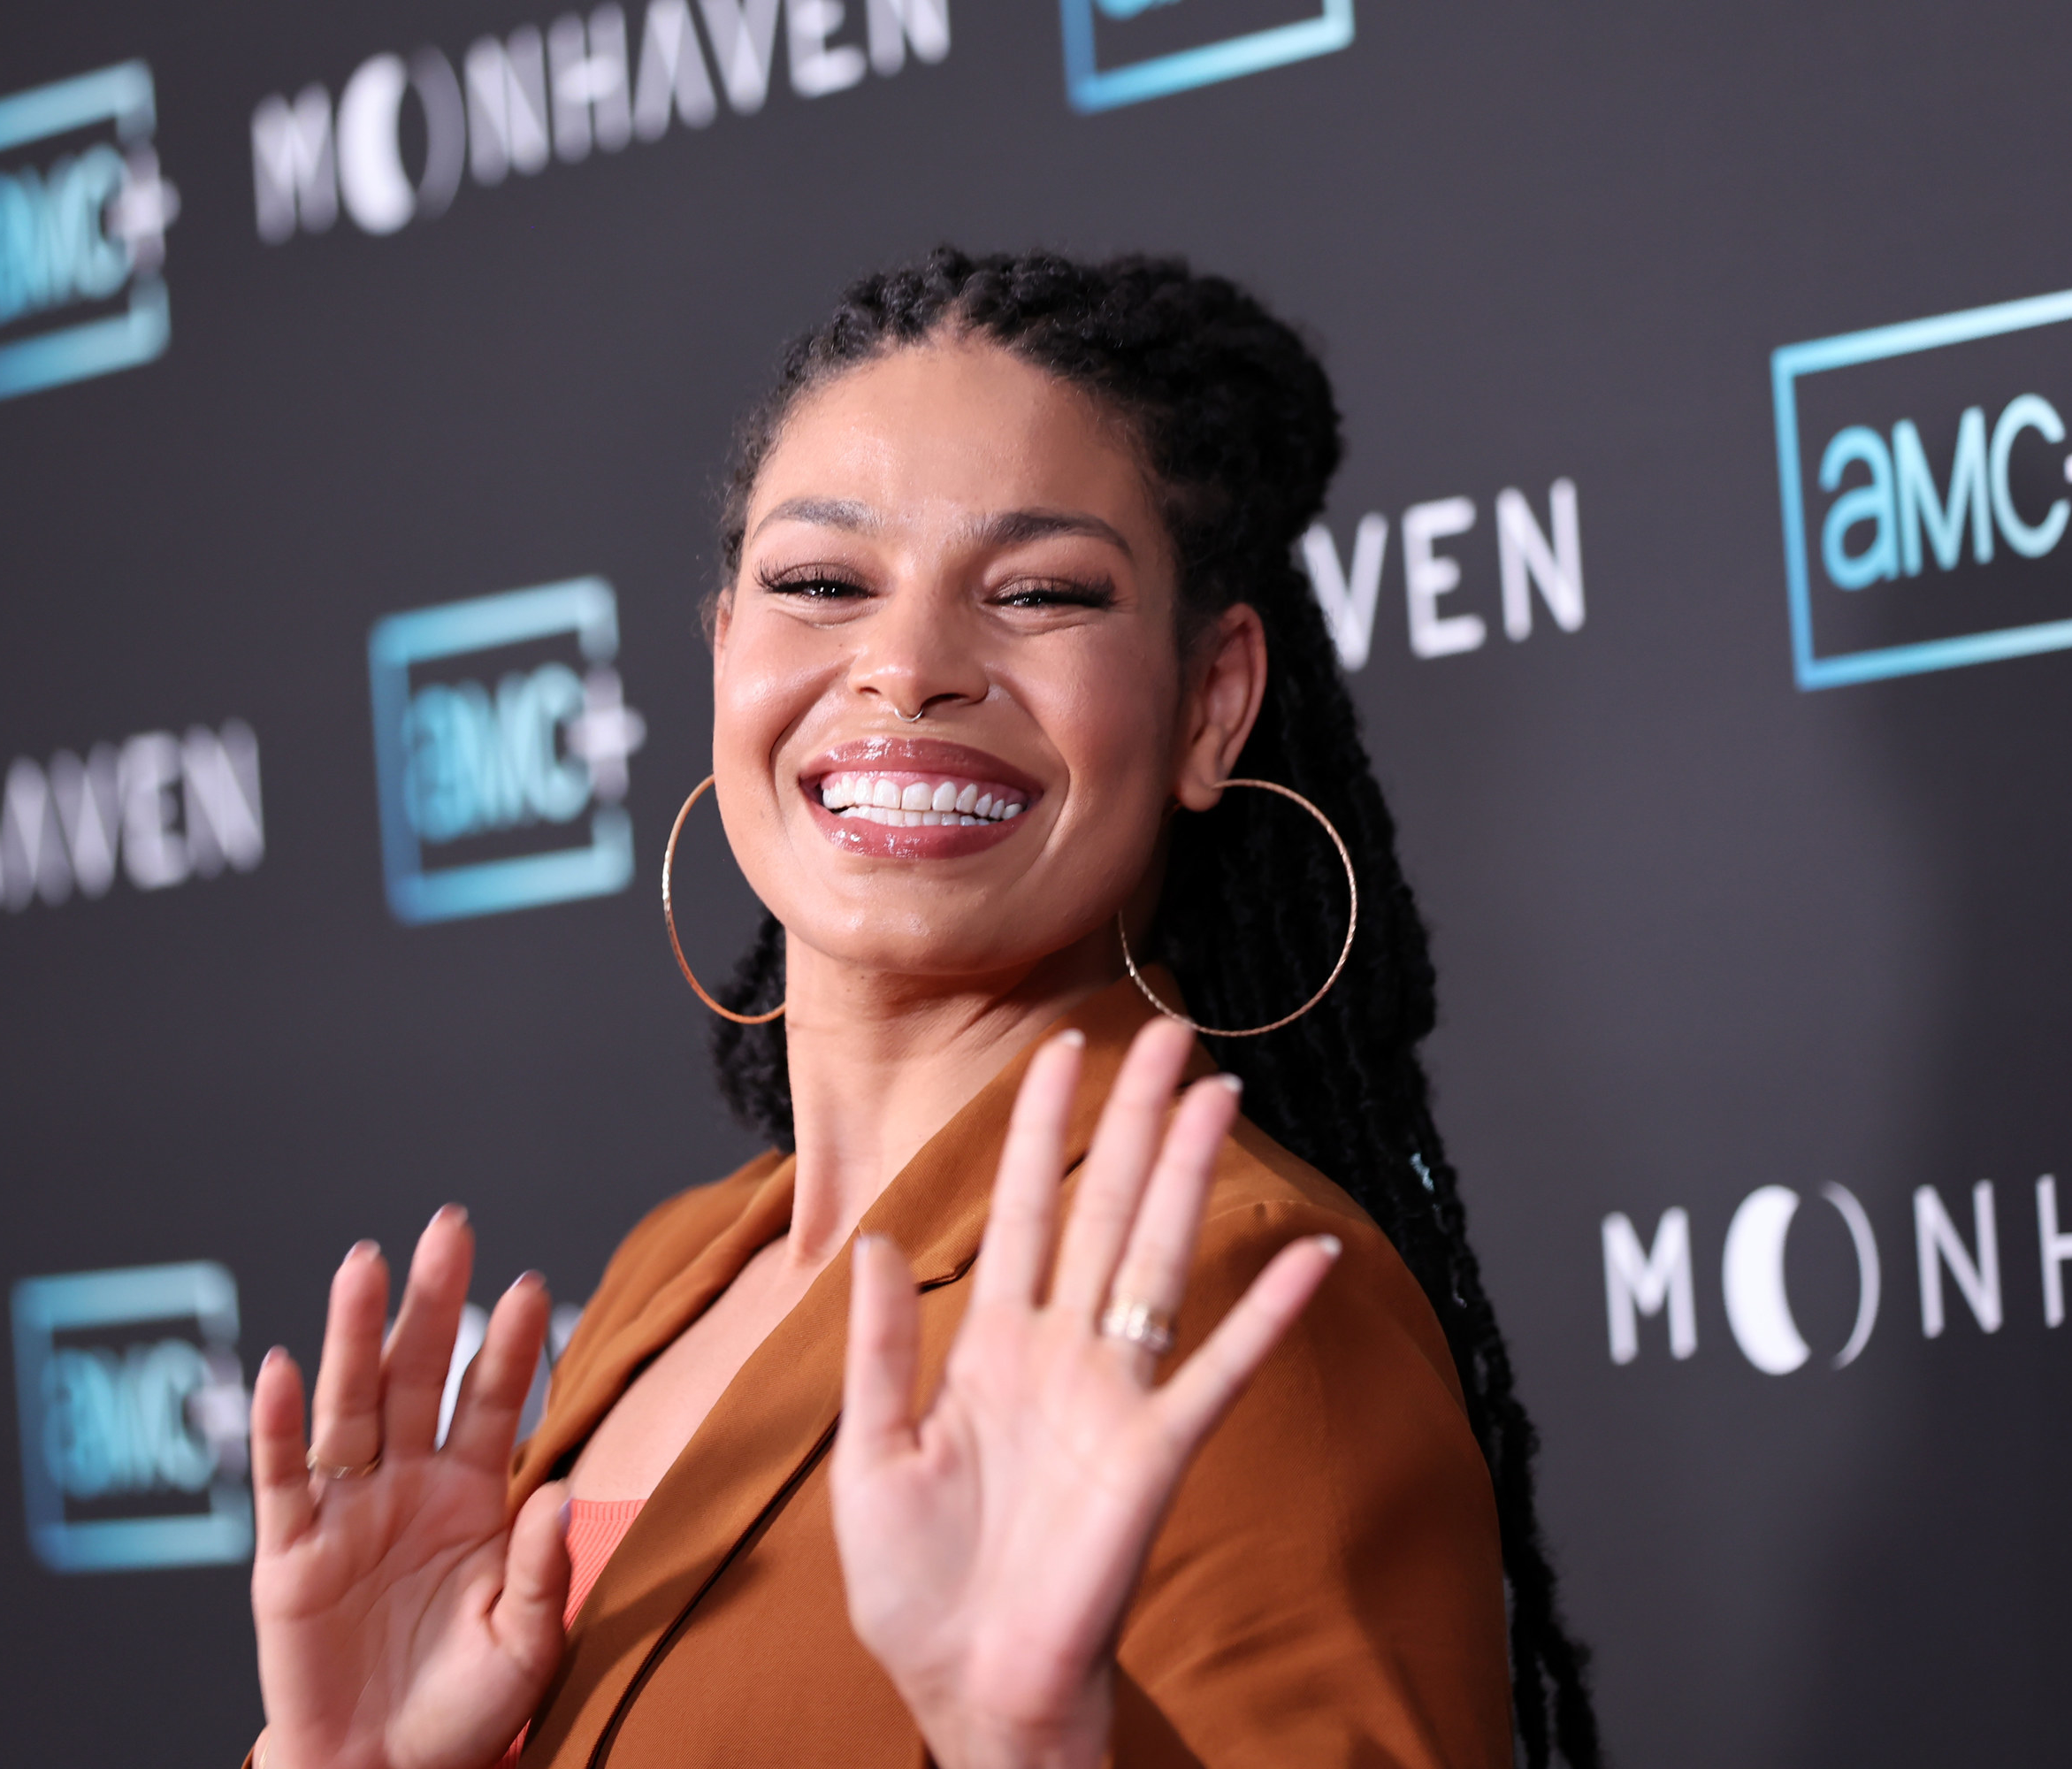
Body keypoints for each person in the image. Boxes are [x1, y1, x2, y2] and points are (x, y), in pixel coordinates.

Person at [243, 249, 1599, 1769]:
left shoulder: (1246, 1298)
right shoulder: (668, 1275)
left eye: (1037, 593)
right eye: (821, 585)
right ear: (723, 663)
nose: (903, 668)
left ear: (1210, 702)